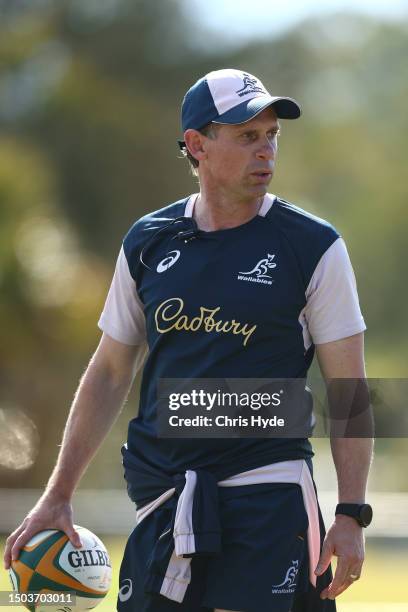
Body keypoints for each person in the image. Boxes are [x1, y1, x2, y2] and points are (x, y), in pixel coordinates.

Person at [4, 68, 373, 612]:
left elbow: (351, 388)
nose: (266, 151)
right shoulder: (148, 241)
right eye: (247, 136)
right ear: (198, 145)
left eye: (272, 135)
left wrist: (351, 512)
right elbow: (109, 370)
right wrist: (59, 493)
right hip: (162, 494)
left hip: (266, 489)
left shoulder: (314, 245)